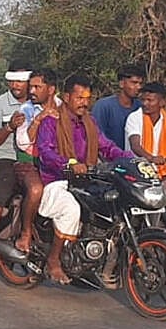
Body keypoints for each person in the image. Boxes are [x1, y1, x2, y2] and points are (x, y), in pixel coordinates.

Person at [36, 75, 135, 284]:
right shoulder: (51, 121)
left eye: (87, 98)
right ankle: (53, 260)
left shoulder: (90, 122)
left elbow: (107, 147)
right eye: (80, 98)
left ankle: (92, 257)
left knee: (112, 203)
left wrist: (132, 159)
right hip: (56, 180)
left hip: (86, 180)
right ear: (67, 97)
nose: (84, 103)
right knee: (71, 209)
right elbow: (45, 151)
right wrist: (68, 164)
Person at [5, 68, 62, 254]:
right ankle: (26, 233)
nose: (32, 91)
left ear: (51, 89)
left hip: (55, 164)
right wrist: (38, 120)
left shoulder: (63, 108)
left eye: (38, 87)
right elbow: (23, 143)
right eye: (31, 87)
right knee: (36, 189)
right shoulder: (26, 109)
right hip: (29, 163)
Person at [0, 60, 31, 271]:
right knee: (2, 190)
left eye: (21, 81)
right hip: (8, 157)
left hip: (34, 158)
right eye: (12, 81)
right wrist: (9, 127)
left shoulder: (39, 101)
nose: (16, 86)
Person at [92, 65, 145, 150]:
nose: (138, 87)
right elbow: (95, 138)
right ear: (121, 84)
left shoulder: (141, 107)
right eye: (134, 83)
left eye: (140, 83)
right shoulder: (103, 106)